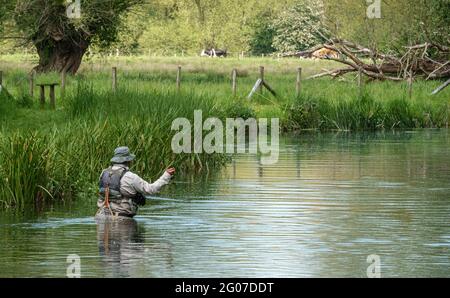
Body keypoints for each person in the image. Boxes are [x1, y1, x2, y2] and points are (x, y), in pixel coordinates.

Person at [96, 146, 175, 219]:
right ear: (128, 160)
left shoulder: (104, 173)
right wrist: (166, 176)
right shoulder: (130, 177)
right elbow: (151, 189)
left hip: (101, 217)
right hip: (122, 220)